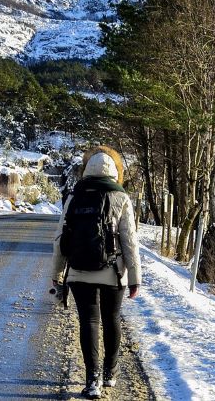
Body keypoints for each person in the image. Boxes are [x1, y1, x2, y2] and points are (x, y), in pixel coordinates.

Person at [51, 146, 141, 399]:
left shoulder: (74, 196)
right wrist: (134, 277)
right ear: (113, 171)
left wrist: (57, 273)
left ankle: (92, 380)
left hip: (79, 271)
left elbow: (60, 238)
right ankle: (110, 374)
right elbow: (130, 241)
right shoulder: (120, 196)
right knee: (111, 320)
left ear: (87, 170)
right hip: (113, 272)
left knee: (89, 322)